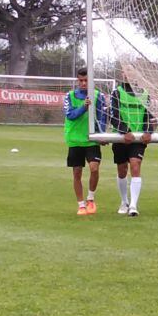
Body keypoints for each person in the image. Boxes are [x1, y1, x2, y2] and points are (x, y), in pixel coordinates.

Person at [63, 68, 107, 215]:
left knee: (94, 168)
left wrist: (102, 135)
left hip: (91, 140)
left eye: (86, 81)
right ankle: (81, 204)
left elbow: (102, 117)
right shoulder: (69, 96)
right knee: (77, 173)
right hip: (75, 140)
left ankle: (91, 198)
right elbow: (70, 115)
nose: (83, 83)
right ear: (77, 80)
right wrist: (84, 107)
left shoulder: (98, 96)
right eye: (80, 80)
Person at [109, 78, 152, 217]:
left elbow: (148, 116)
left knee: (135, 165)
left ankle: (133, 205)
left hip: (138, 139)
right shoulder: (117, 93)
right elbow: (113, 116)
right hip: (122, 137)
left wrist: (148, 131)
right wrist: (125, 131)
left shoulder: (145, 93)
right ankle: (124, 201)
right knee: (122, 170)